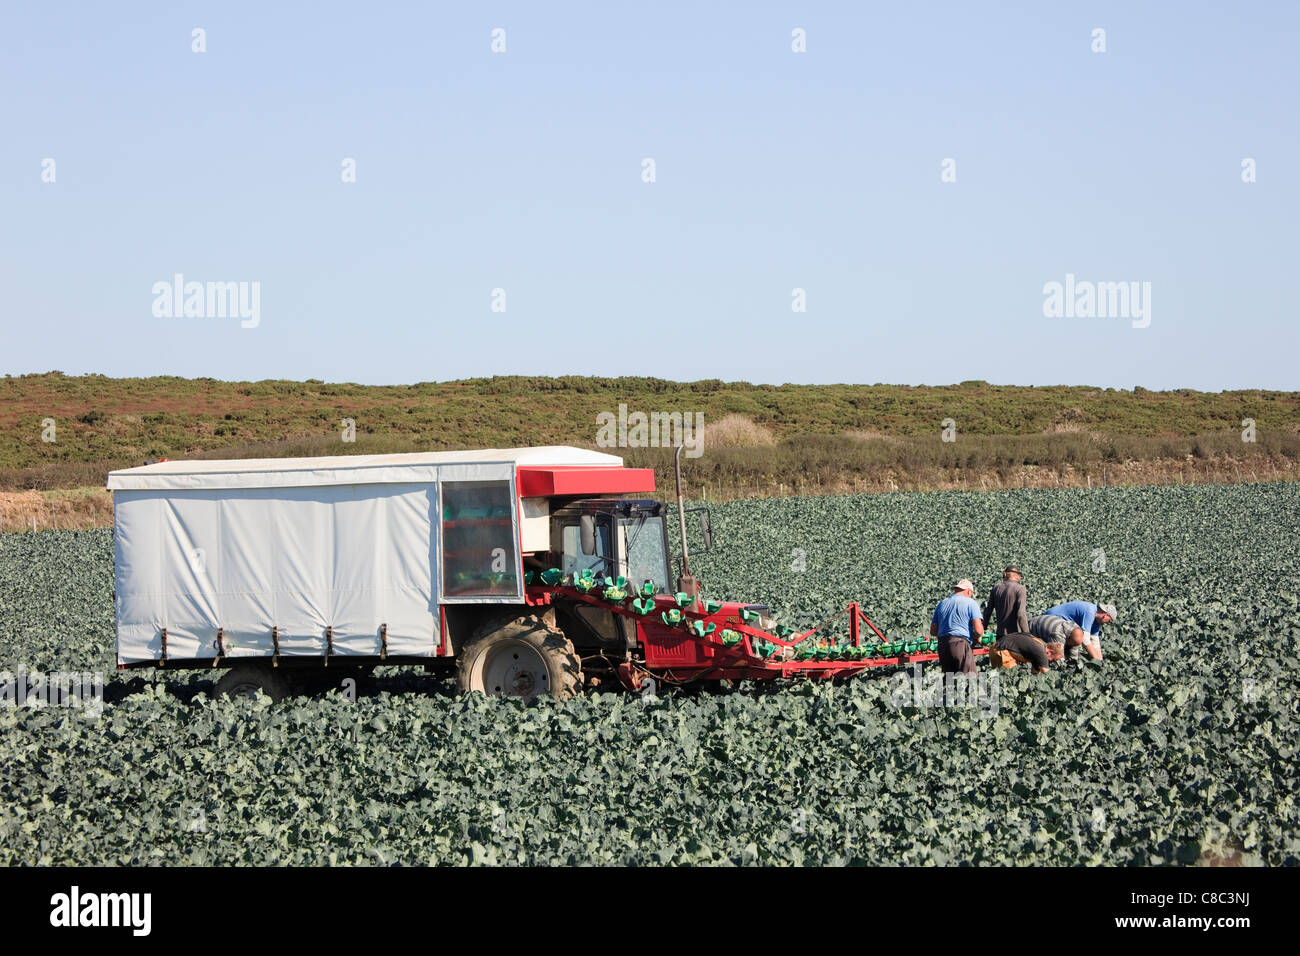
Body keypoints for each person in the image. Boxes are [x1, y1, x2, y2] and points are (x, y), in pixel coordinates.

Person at [1028, 601, 1116, 661]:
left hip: (1067, 627)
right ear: (1106, 615)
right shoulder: (1090, 611)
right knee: (1058, 650)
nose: (1107, 623)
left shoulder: (1097, 621)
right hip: (1053, 620)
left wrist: (1100, 660)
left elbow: (1095, 641)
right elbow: (1085, 640)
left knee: (1073, 643)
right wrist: (1095, 658)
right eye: (1109, 621)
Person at [930, 579, 984, 675]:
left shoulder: (941, 604)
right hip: (960, 644)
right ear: (968, 591)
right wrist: (976, 637)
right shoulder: (970, 603)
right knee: (969, 679)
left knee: (949, 681)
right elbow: (979, 630)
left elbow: (933, 631)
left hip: (943, 646)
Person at [983, 565, 1029, 637]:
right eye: (1020, 576)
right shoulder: (1020, 589)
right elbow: (1021, 614)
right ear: (1017, 576)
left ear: (1005, 574)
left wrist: (983, 627)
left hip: (1000, 635)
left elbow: (988, 611)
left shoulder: (996, 588)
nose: (1020, 578)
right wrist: (1027, 634)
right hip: (1015, 636)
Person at [991, 632, 1065, 674]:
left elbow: (1034, 671)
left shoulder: (1040, 644)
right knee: (1005, 677)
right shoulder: (1041, 652)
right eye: (1054, 660)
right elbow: (1046, 674)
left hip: (998, 647)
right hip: (1000, 651)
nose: (1051, 662)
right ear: (1050, 652)